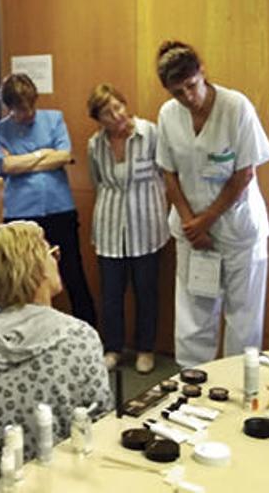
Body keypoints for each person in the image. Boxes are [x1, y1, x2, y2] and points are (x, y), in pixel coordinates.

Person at [154, 41, 269, 369]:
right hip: (191, 231)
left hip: (238, 230)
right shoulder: (168, 114)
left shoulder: (236, 107)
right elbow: (169, 171)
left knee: (243, 317)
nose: (187, 97)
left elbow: (244, 173)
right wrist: (192, 223)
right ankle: (191, 382)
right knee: (194, 314)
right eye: (177, 92)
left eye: (191, 86)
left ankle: (238, 384)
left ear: (202, 73)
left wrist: (206, 219)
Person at [0, 221, 112, 459]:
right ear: (38, 268)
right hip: (58, 473)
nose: (56, 260)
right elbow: (100, 419)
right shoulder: (79, 336)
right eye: (52, 253)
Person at [0, 73, 97, 327]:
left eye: (30, 106)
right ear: (8, 107)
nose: (28, 113)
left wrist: (23, 161)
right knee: (21, 279)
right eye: (20, 109)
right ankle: (23, 333)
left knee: (72, 274)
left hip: (60, 209)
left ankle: (90, 334)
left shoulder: (54, 119)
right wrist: (42, 154)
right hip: (20, 215)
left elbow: (63, 157)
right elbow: (5, 165)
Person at [85, 83, 169, 374]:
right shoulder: (95, 144)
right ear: (99, 119)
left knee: (146, 291)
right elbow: (96, 181)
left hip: (146, 225)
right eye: (107, 114)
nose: (116, 116)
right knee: (111, 294)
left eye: (118, 107)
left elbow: (166, 172)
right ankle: (113, 348)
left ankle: (146, 349)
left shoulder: (150, 133)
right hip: (109, 226)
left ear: (125, 102)